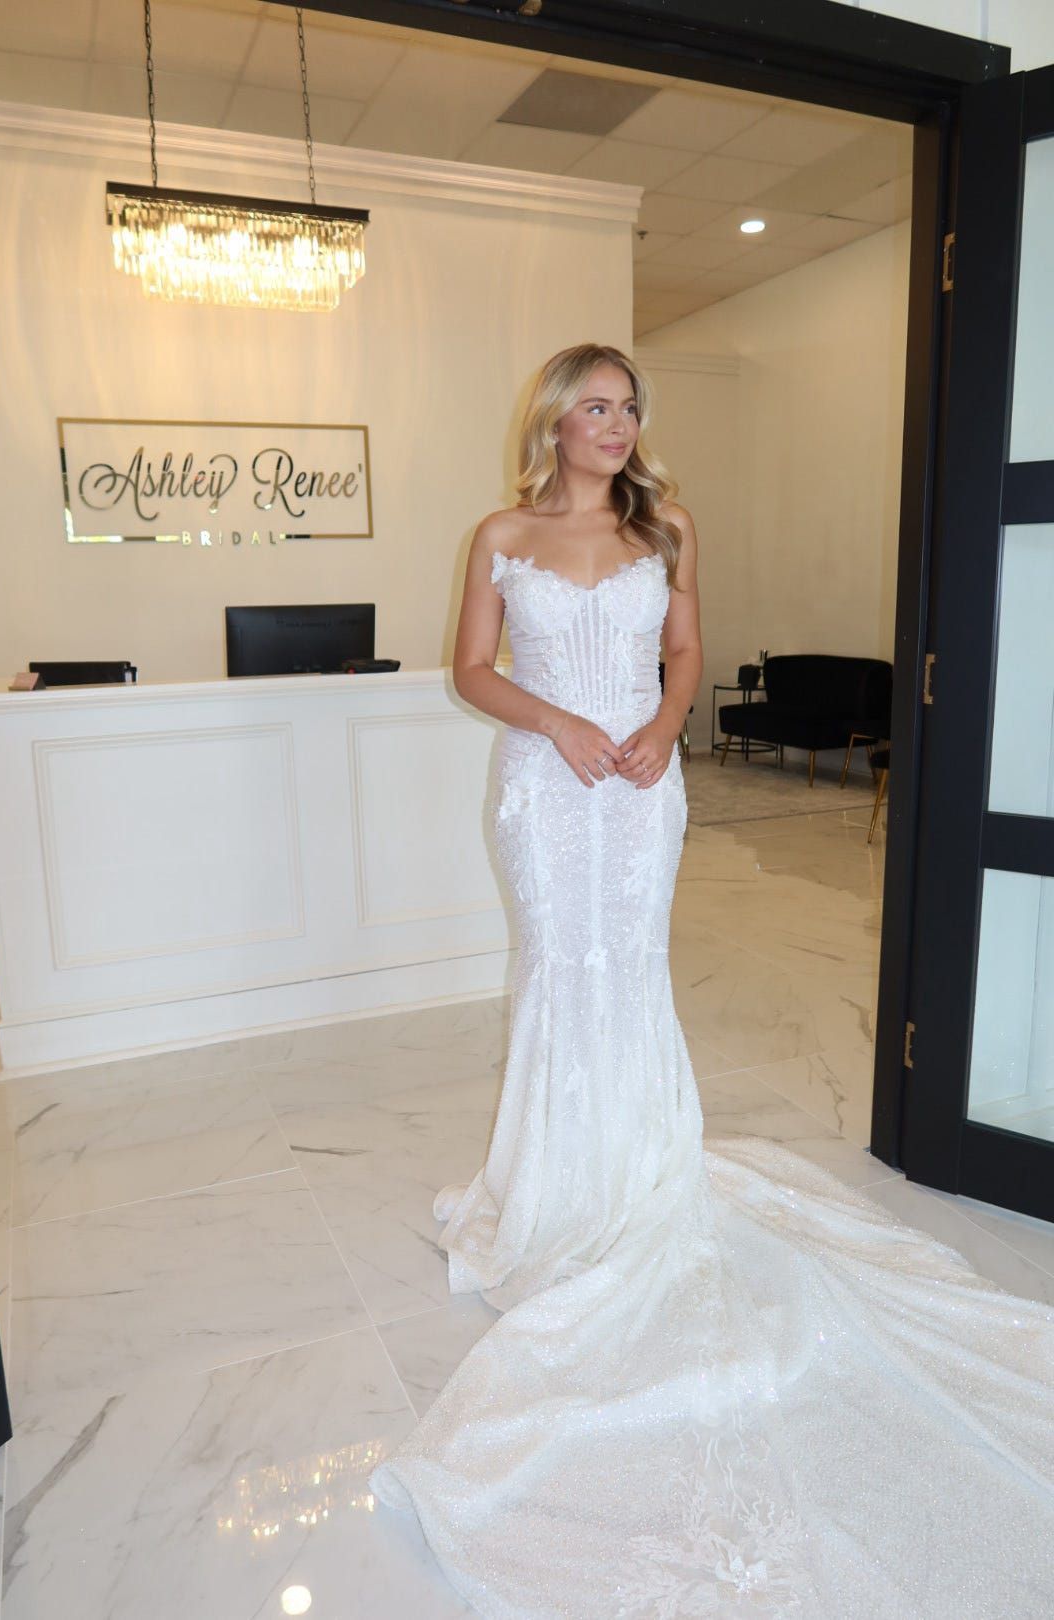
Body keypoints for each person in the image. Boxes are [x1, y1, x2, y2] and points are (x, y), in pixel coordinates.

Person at [368, 343, 1054, 1618]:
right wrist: (559, 724)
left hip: (640, 792)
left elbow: (688, 655)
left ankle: (636, 1170)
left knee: (628, 973)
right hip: (542, 785)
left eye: (630, 408)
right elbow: (471, 668)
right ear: (554, 422)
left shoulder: (668, 526)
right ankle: (554, 1180)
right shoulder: (500, 532)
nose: (616, 425)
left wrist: (658, 726)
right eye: (595, 407)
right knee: (556, 975)